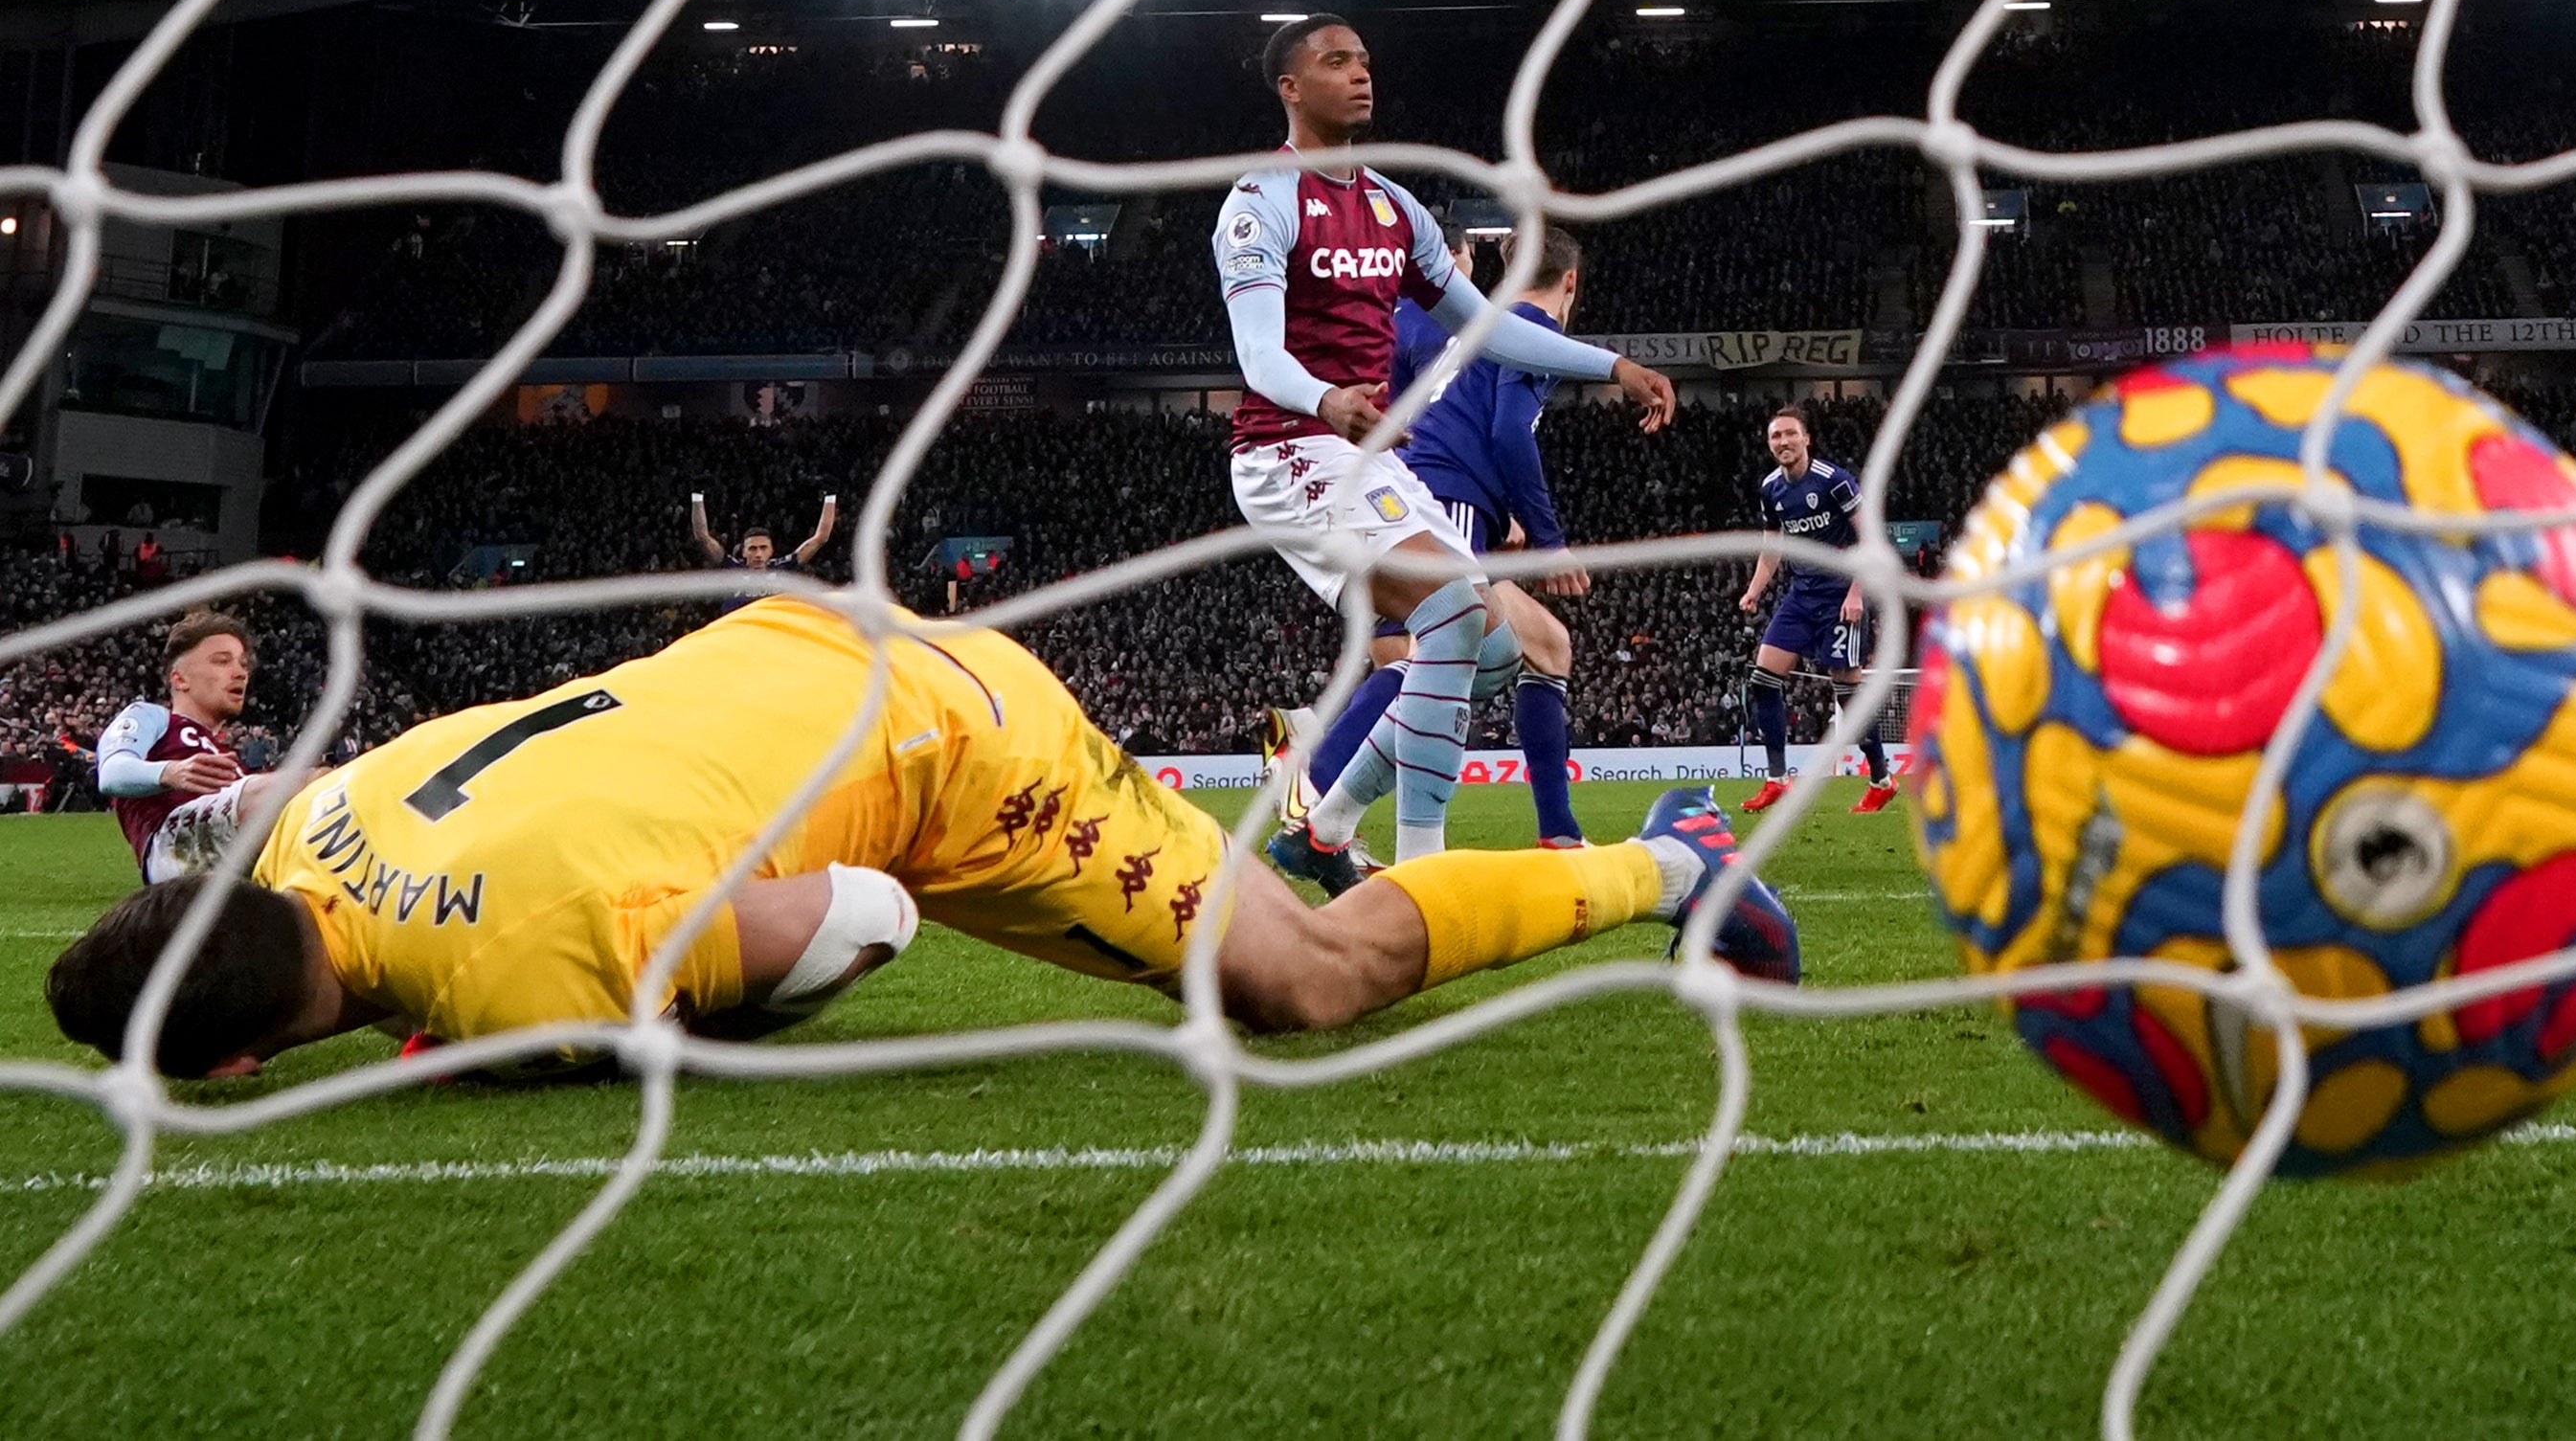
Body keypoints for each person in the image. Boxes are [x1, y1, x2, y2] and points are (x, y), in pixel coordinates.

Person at [38, 597, 1792, 1083]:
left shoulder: (525, 975)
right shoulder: (319, 816)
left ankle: (1669, 862)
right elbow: (260, 801)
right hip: (785, 643)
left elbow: (869, 914)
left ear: (244, 1058)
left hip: (959, 751)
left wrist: (665, 1014)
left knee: (1306, 979)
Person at [1216, 17, 1676, 885]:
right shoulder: (1261, 201)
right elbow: (1257, 355)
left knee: (1500, 650)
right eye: (1335, 61)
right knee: (1456, 612)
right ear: (1290, 87)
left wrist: (1609, 364)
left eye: (1364, 60)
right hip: (1289, 450)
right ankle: (1422, 872)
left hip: (1370, 461)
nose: (1360, 75)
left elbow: (1490, 332)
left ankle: (1323, 825)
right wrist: (1324, 397)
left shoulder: (1396, 209)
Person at [1367, 232, 1597, 848]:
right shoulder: (1516, 328)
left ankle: (1559, 832)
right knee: (1428, 662)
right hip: (1440, 499)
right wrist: (1547, 536)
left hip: (1401, 492)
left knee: (1548, 647)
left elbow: (1412, 409)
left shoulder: (1466, 324)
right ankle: (1315, 772)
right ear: (1571, 281)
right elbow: (1507, 431)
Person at [1739, 405, 1891, 813]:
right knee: (1764, 679)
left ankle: (1881, 778)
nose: (1783, 442)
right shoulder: (1771, 488)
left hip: (1843, 597)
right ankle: (1777, 780)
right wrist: (1755, 590)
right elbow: (1772, 548)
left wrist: (1857, 593)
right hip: (1801, 596)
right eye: (1776, 436)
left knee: (1847, 694)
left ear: (1806, 439)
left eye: (1790, 434)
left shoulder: (1834, 481)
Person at [95, 608, 291, 886]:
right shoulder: (151, 717)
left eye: (243, 665)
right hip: (173, 845)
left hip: (226, 852)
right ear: (179, 679)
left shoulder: (227, 757)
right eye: (222, 662)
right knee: (301, 785)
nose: (240, 673)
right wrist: (170, 772)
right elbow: (112, 773)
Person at [688, 492, 839, 574]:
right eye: (753, 549)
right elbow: (702, 537)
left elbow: (821, 538)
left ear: (771, 550)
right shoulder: (733, 568)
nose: (758, 554)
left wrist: (830, 496)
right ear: (743, 552)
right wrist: (697, 496)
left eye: (763, 548)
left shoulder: (782, 568)